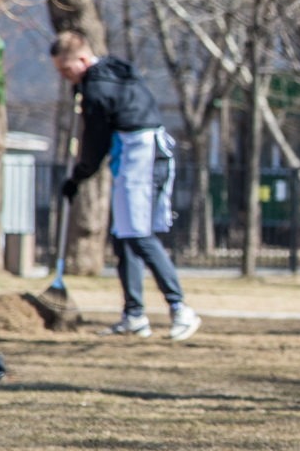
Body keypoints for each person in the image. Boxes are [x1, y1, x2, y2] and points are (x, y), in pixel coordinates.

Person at [50, 31, 201, 342]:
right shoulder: (113, 70)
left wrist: (78, 177)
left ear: (82, 59)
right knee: (123, 237)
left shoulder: (97, 90)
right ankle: (134, 315)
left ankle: (181, 309)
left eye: (66, 69)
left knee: (139, 235)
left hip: (142, 156)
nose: (64, 76)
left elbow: (95, 144)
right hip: (136, 155)